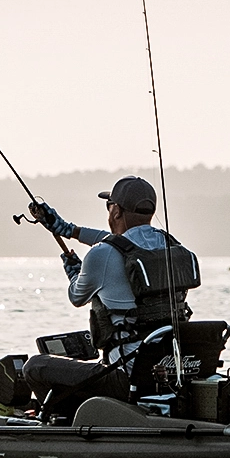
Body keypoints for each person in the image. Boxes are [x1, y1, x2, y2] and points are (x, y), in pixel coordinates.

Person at [22, 176, 200, 414]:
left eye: (109, 206)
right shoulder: (170, 246)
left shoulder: (100, 256)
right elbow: (118, 243)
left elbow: (77, 296)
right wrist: (69, 230)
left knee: (35, 367)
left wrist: (74, 271)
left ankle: (65, 421)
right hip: (170, 373)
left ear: (116, 211)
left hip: (126, 380)